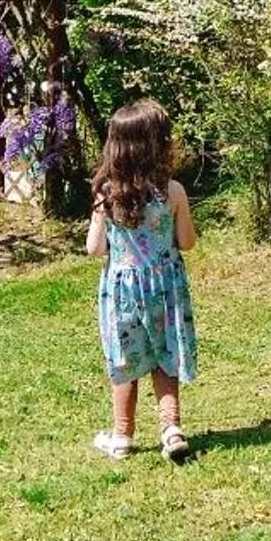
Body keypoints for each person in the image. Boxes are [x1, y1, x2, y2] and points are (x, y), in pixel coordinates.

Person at [86, 97, 198, 462]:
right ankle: (172, 428)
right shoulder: (174, 191)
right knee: (165, 355)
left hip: (122, 292)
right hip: (165, 289)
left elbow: (94, 249)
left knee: (125, 360)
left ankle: (122, 437)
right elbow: (188, 242)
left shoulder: (107, 195)